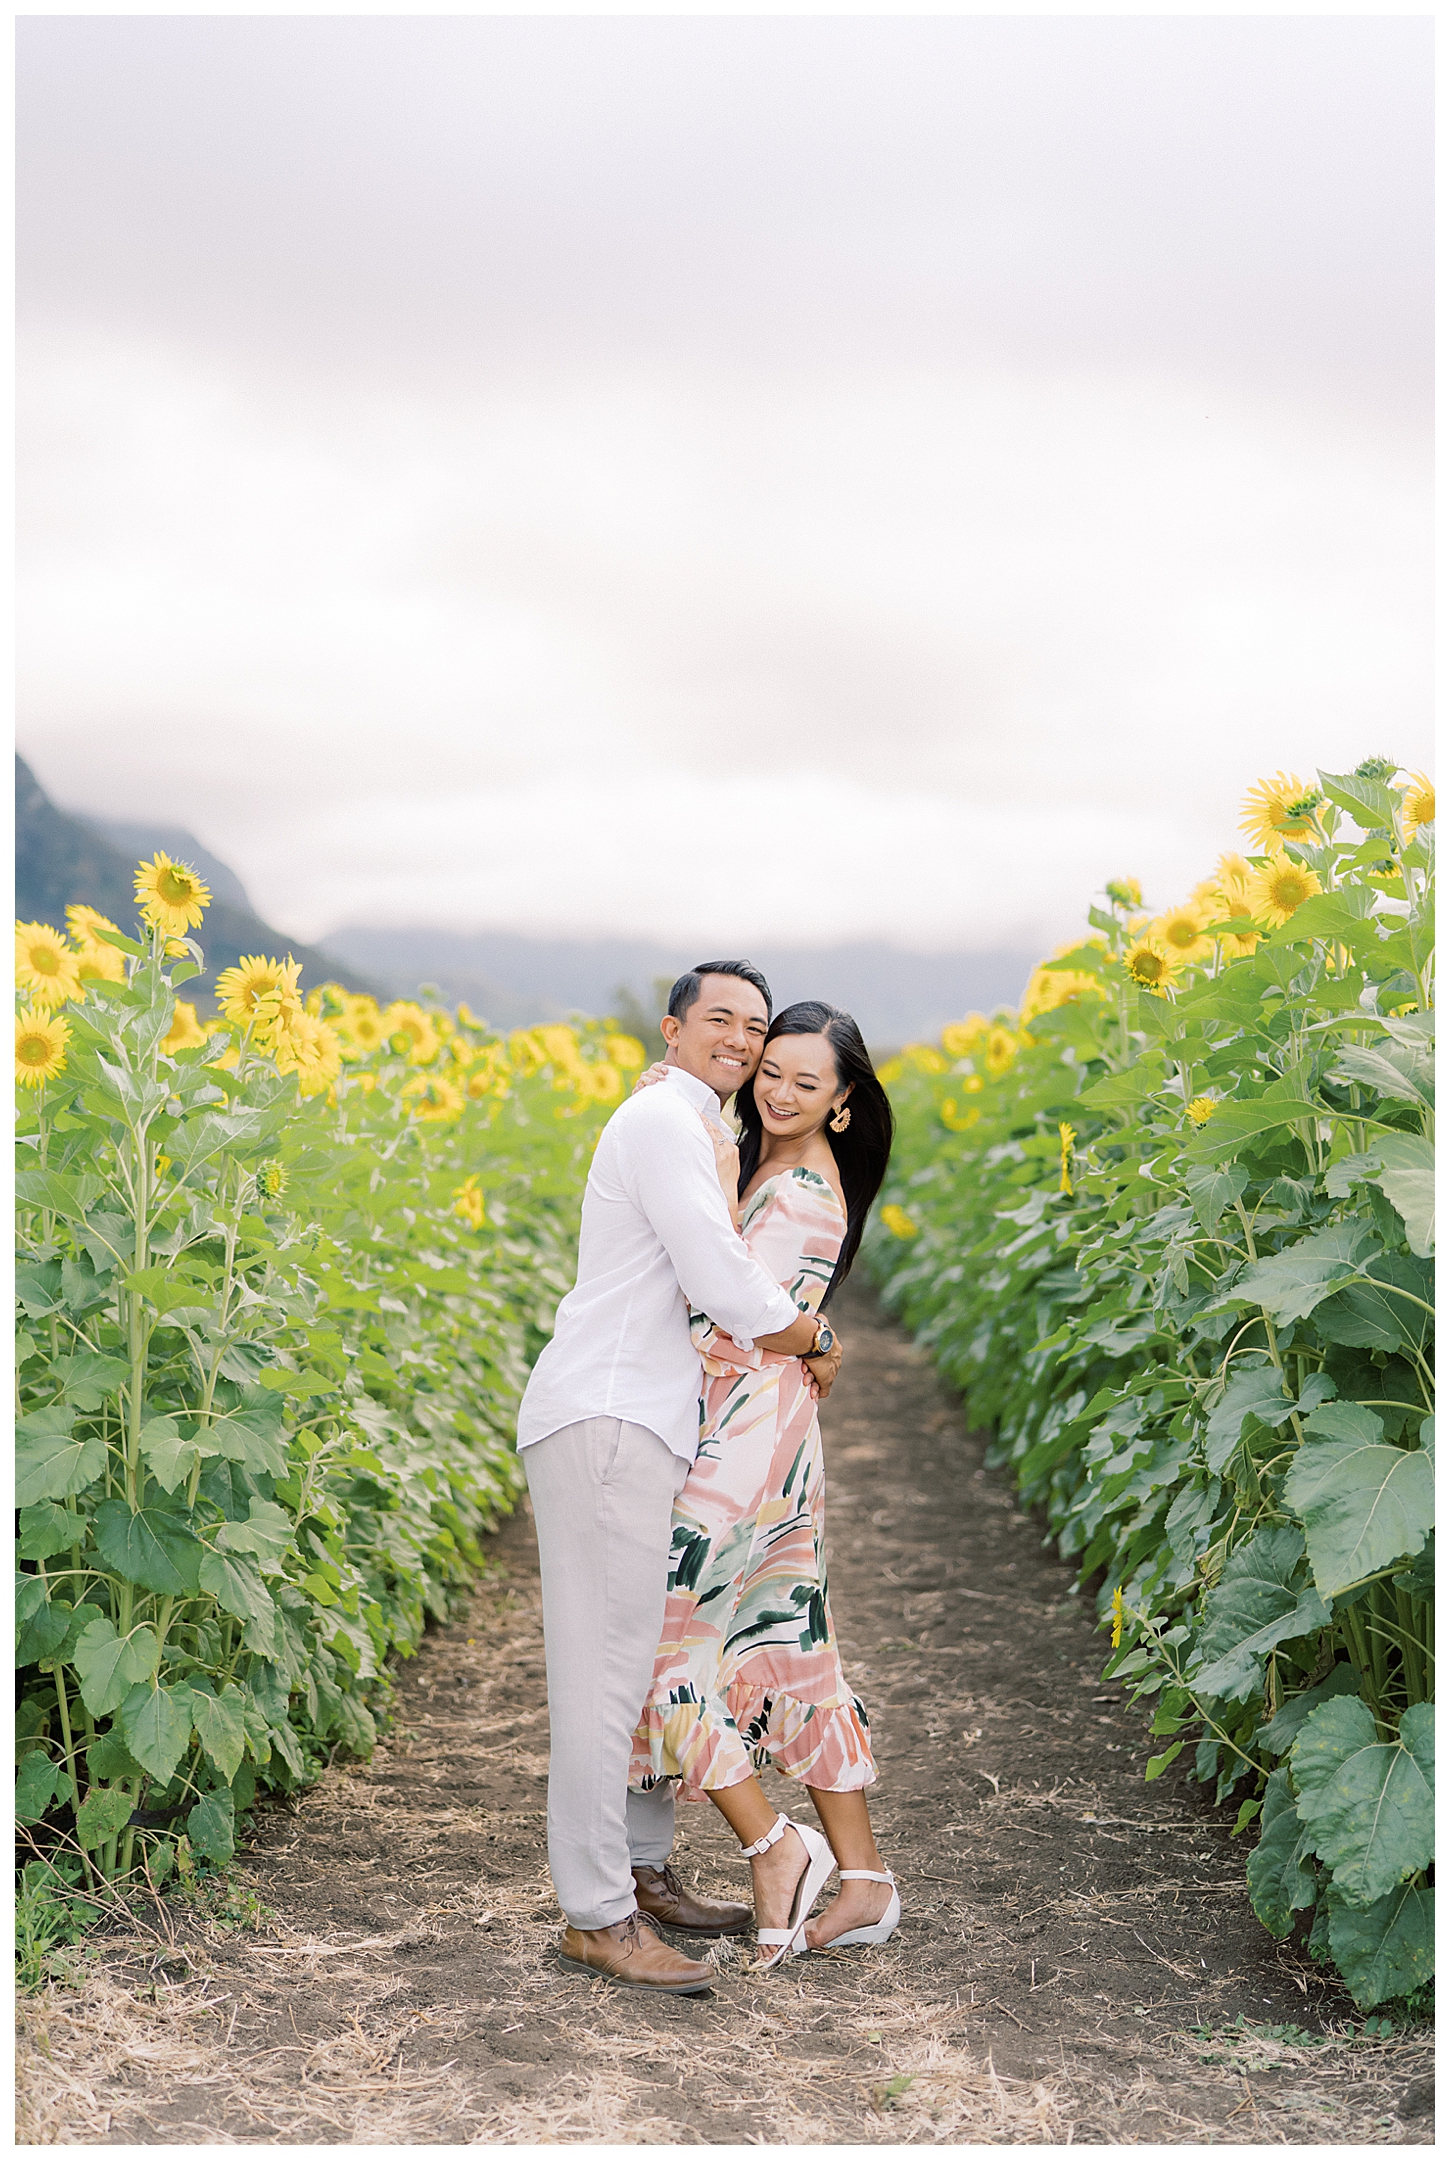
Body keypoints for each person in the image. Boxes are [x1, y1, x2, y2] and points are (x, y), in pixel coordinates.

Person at [516, 961, 844, 1995]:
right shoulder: (665, 1123)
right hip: (610, 1415)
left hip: (639, 1418)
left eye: (755, 1025)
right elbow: (718, 1276)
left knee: (643, 1645)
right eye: (720, 1020)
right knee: (605, 1676)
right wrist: (814, 1332)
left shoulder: (697, 1125)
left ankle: (642, 1867)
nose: (743, 1041)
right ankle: (597, 1916)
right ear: (671, 1027)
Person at [630, 1001, 899, 1967]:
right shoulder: (773, 1165)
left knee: (665, 1642)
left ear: (841, 1101)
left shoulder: (797, 1192)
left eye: (805, 1082)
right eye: (771, 1071)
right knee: (790, 1641)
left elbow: (733, 1315)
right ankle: (863, 1881)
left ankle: (774, 1847)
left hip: (745, 1433)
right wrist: (817, 1336)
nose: (779, 1093)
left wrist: (812, 1334)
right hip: (774, 1424)